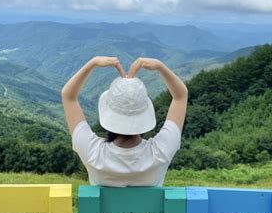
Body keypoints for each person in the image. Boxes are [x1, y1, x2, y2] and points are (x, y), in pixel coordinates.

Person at [61, 56, 188, 187]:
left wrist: (92, 63)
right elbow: (181, 96)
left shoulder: (93, 153)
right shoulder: (161, 152)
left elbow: (68, 96)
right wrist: (161, 67)